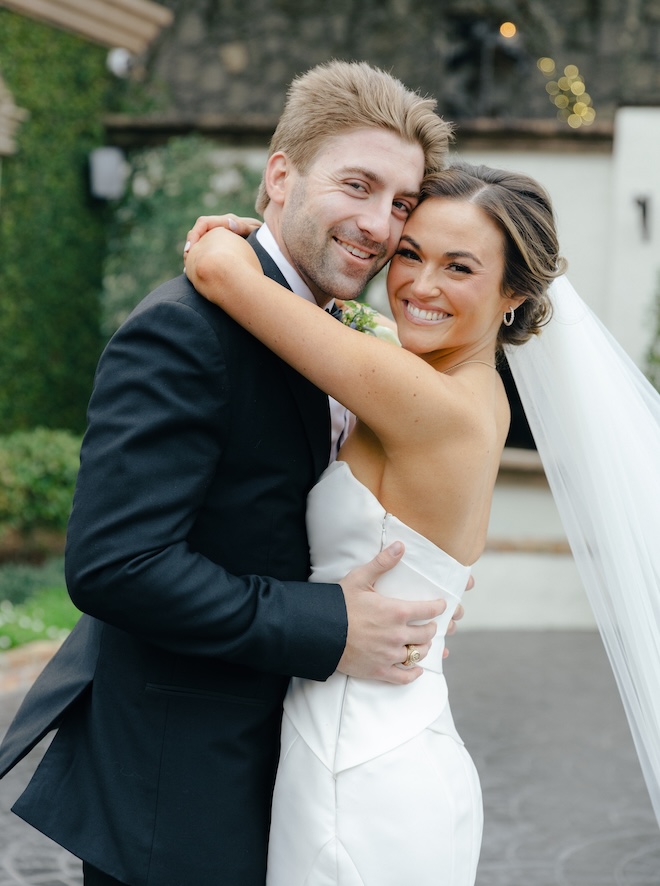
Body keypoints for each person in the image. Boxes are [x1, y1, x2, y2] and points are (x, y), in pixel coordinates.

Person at [0, 62, 461, 886]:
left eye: (401, 203)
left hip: (292, 769)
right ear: (280, 177)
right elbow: (117, 564)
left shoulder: (330, 333)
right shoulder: (184, 331)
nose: (379, 224)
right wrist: (333, 625)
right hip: (181, 790)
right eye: (357, 185)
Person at [183, 160, 565, 885]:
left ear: (514, 294)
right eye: (410, 254)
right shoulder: (471, 390)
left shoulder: (425, 399)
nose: (420, 285)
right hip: (399, 743)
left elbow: (217, 273)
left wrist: (235, 235)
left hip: (356, 769)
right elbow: (374, 330)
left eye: (459, 267)